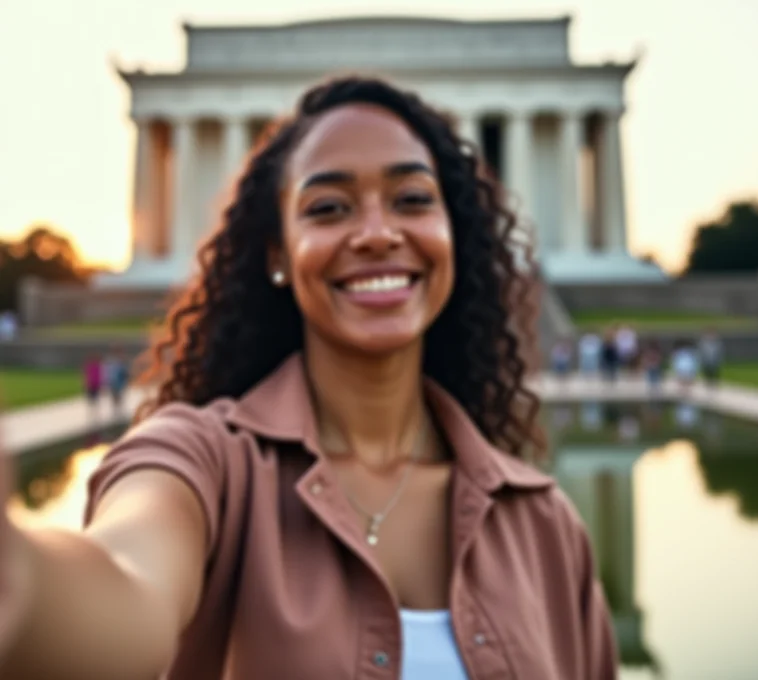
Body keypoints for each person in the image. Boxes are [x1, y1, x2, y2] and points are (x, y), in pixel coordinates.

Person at [0, 77, 616, 679]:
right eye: (328, 208)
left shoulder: (545, 524)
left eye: (413, 199)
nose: (377, 233)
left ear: (455, 235)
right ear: (277, 254)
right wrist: (21, 582)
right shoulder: (206, 466)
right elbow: (130, 586)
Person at [103, 349, 130, 417]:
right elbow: (107, 371)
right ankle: (116, 410)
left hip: (119, 381)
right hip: (113, 381)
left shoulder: (121, 360)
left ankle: (119, 409)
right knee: (114, 396)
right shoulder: (110, 360)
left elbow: (125, 371)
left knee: (119, 395)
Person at [82, 355, 103, 420]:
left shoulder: (97, 366)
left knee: (95, 398)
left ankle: (95, 411)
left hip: (96, 385)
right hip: (90, 385)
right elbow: (86, 376)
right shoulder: (89, 366)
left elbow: (100, 376)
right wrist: (85, 383)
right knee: (91, 399)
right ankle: (91, 411)